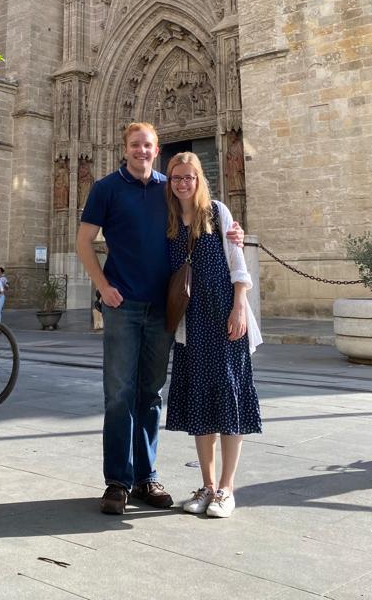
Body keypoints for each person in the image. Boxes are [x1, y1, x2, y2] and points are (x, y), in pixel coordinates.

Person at [76, 121, 245, 516]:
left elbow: (202, 210)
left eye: (148, 145)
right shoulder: (105, 188)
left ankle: (146, 476)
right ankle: (118, 481)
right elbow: (84, 241)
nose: (142, 150)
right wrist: (103, 287)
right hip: (123, 306)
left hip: (164, 310)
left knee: (151, 395)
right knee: (119, 395)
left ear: (157, 149)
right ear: (125, 148)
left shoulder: (168, 187)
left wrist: (233, 230)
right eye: (135, 145)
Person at [165, 151, 262, 519]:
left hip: (223, 320)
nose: (183, 183)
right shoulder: (169, 221)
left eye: (189, 177)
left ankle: (227, 488)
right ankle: (206, 485)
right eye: (176, 178)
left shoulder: (217, 212)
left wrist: (239, 306)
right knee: (201, 402)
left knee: (229, 398)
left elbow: (238, 265)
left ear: (200, 179)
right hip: (191, 326)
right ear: (170, 182)